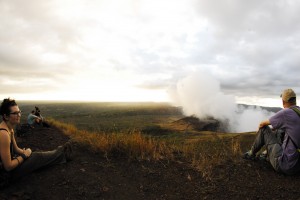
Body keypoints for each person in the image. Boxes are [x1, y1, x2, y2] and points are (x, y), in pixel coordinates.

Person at [0, 98, 72, 187]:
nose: (19, 115)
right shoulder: (3, 134)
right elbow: (8, 166)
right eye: (15, 113)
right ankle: (62, 154)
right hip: (5, 176)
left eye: (19, 112)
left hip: (7, 170)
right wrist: (24, 155)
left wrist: (25, 153)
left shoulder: (9, 129)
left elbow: (15, 149)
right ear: (6, 116)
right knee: (36, 157)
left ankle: (59, 153)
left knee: (34, 155)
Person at [243, 88, 300, 175]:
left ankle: (251, 154)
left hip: (285, 165)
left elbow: (263, 124)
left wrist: (259, 129)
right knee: (280, 130)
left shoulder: (286, 113)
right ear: (295, 100)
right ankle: (266, 154)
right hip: (297, 165)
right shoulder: (298, 112)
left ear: (283, 101)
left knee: (264, 129)